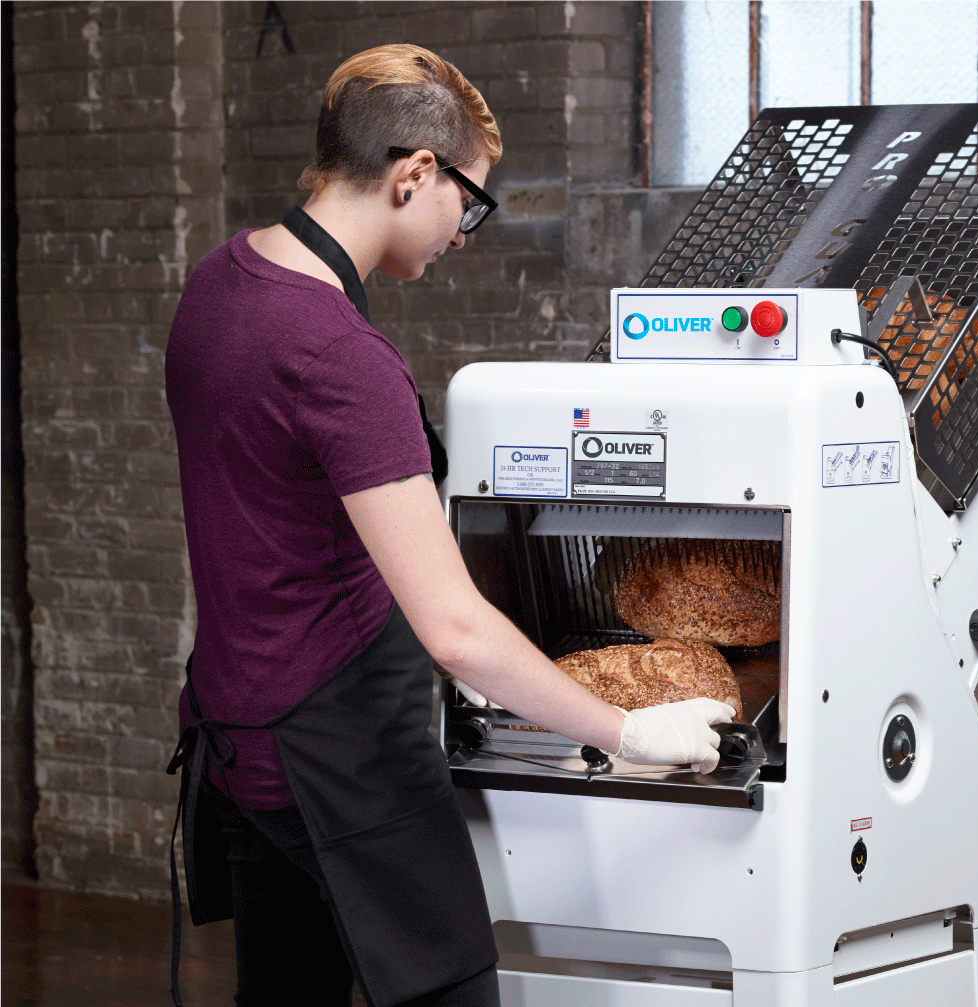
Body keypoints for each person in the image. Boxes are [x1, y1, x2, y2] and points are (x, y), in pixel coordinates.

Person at [163, 44, 733, 1007]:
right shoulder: (339, 354)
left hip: (235, 748)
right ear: (414, 172)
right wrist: (625, 729)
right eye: (468, 202)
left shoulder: (218, 288)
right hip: (342, 767)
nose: (463, 231)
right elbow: (455, 628)